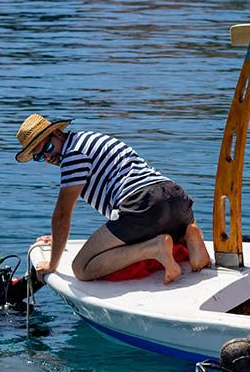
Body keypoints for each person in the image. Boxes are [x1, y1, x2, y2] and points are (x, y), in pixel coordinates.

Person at [15, 113, 211, 284]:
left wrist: (52, 264)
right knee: (150, 223)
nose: (48, 157)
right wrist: (59, 241)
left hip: (142, 205)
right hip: (176, 198)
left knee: (82, 268)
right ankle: (189, 236)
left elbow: (62, 215)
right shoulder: (90, 139)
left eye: (48, 147)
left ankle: (155, 248)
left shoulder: (72, 155)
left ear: (58, 133)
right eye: (39, 157)